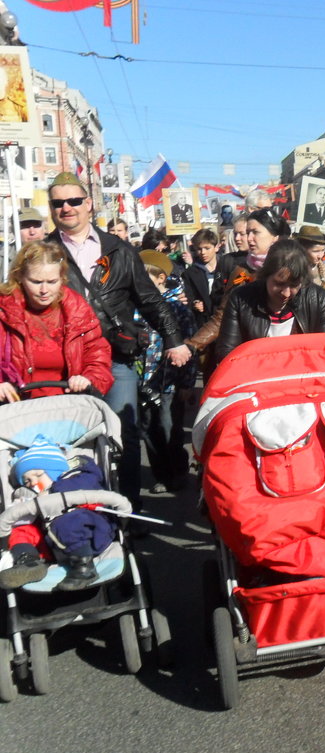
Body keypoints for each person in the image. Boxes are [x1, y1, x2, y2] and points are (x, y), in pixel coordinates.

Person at [45, 172, 187, 509]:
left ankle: (128, 509)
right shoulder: (43, 252)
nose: (66, 208)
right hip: (64, 362)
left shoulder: (118, 249)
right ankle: (78, 511)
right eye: (58, 203)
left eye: (74, 201)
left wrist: (174, 339)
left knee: (124, 433)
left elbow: (149, 298)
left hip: (114, 357)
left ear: (89, 204)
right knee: (70, 438)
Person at [0, 240, 113, 403]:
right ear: (20, 277)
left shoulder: (77, 310)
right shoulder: (4, 310)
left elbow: (97, 353)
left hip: (66, 407)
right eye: (36, 282)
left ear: (62, 278)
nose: (44, 290)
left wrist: (89, 378)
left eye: (52, 282)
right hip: (16, 409)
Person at [0, 436, 116, 591]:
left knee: (67, 522)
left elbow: (88, 483)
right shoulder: (32, 494)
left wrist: (53, 491)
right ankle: (29, 562)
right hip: (52, 545)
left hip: (91, 532)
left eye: (38, 475)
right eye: (27, 481)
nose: (33, 483)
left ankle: (84, 569)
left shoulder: (78, 474)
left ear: (54, 469)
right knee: (21, 529)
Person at [185, 208, 289, 368]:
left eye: (255, 232)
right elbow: (222, 316)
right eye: (247, 232)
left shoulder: (292, 268)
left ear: (274, 237)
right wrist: (192, 344)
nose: (249, 238)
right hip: (249, 357)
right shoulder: (241, 271)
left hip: (286, 355)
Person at [216, 240, 325, 362]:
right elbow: (228, 353)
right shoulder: (240, 298)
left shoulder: (318, 297)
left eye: (294, 285)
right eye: (279, 284)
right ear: (266, 275)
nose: (286, 293)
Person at [139, 253, 196, 493]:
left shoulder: (177, 307)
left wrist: (187, 383)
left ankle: (179, 470)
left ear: (161, 278)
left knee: (169, 426)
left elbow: (190, 344)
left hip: (170, 380)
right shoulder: (135, 306)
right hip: (143, 379)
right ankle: (161, 473)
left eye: (145, 278)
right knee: (149, 429)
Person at [295, 225, 325, 327]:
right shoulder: (293, 271)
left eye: (323, 250)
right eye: (316, 251)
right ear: (302, 249)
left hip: (321, 327)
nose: (320, 255)